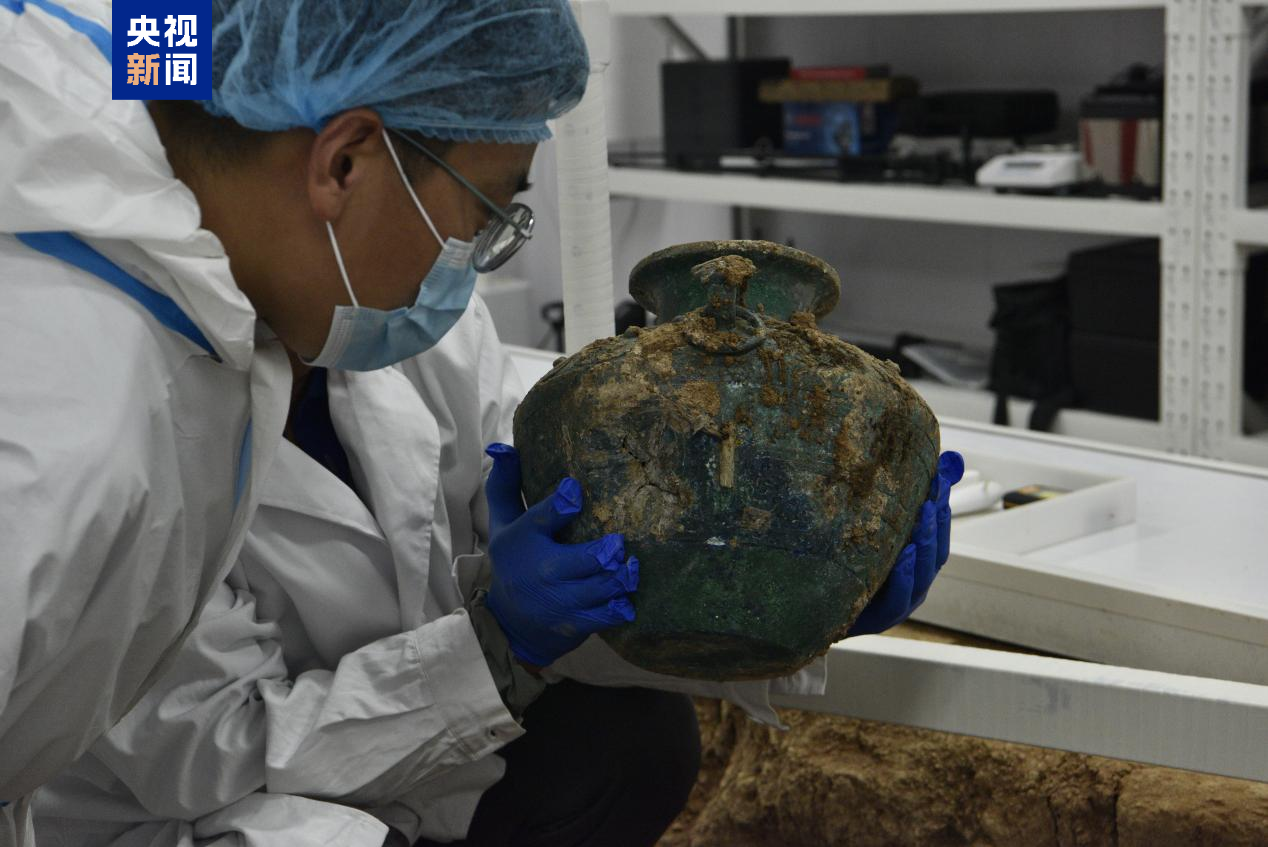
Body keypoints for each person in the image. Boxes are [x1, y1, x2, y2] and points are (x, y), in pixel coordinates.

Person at [5, 0, 963, 844]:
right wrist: (499, 643)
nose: (479, 259)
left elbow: (555, 567)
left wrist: (776, 594)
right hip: (177, 808)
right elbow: (198, 747)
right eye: (488, 211)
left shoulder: (356, 294)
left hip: (381, 750)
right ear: (345, 160)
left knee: (630, 742)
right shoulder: (86, 419)